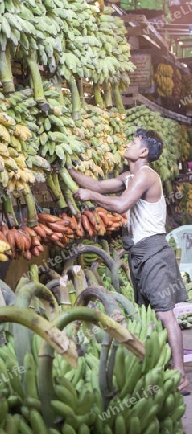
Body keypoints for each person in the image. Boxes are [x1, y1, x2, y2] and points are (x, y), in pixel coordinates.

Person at [69, 128, 189, 392]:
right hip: (140, 251)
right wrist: (67, 171)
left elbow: (121, 204)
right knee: (149, 313)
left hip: (155, 250)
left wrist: (93, 198)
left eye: (134, 142)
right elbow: (99, 185)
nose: (129, 144)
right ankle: (160, 366)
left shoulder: (146, 176)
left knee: (163, 313)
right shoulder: (130, 176)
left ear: (143, 152)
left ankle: (181, 376)